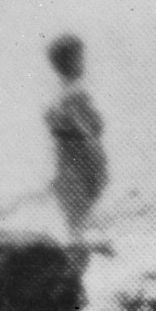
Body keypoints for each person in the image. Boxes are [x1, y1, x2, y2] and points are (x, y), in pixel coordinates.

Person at [42, 34, 106, 240]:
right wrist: (99, 169)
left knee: (74, 226)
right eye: (80, 58)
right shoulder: (76, 96)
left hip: (64, 168)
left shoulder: (56, 96)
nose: (84, 63)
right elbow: (86, 136)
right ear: (72, 61)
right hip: (79, 169)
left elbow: (60, 137)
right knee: (79, 227)